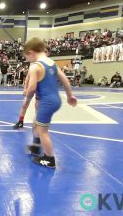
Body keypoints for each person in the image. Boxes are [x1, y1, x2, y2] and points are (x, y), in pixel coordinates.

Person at [16, 38, 77, 168]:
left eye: (27, 57)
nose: (28, 60)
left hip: (46, 103)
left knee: (43, 131)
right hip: (55, 100)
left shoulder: (35, 67)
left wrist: (26, 100)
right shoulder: (51, 63)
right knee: (36, 123)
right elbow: (65, 80)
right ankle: (36, 147)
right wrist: (70, 95)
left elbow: (31, 88)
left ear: (31, 53)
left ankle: (49, 159)